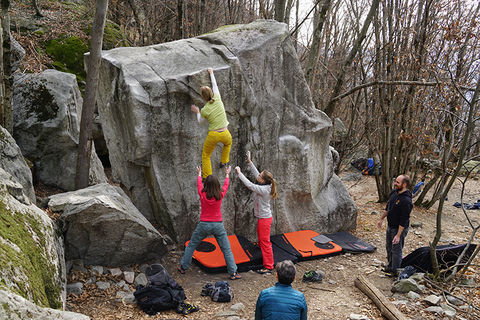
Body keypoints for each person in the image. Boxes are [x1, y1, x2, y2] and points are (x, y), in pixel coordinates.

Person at [178, 166, 241, 280]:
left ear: (206, 184)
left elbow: (199, 184)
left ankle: (183, 267)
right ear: (217, 185)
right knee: (226, 249)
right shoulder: (220, 194)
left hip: (204, 225)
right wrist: (227, 173)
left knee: (192, 245)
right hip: (218, 225)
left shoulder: (202, 194)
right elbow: (226, 185)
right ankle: (233, 273)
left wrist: (199, 174)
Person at [235, 151, 277, 274]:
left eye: (260, 176)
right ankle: (265, 260)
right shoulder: (266, 184)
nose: (258, 176)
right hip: (263, 218)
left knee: (265, 242)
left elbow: (249, 185)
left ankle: (269, 266)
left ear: (263, 180)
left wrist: (239, 173)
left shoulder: (263, 189)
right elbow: (257, 174)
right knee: (262, 241)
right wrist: (250, 162)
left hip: (264, 219)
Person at [191, 68, 232, 178]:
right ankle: (224, 161)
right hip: (225, 133)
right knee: (228, 144)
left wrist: (197, 112)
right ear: (211, 93)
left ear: (203, 97)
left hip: (213, 135)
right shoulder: (217, 98)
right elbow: (215, 85)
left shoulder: (205, 110)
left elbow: (200, 122)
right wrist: (211, 73)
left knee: (206, 155)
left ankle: (207, 176)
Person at [377, 175, 413, 276]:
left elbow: (404, 219)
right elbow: (388, 207)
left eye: (397, 182)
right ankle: (390, 266)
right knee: (389, 247)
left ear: (404, 184)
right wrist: (381, 219)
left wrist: (398, 235)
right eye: (395, 181)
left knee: (396, 250)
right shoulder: (394, 193)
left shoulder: (406, 201)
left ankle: (395, 271)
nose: (395, 184)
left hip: (399, 229)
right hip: (391, 225)